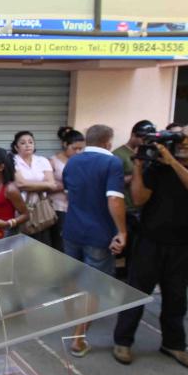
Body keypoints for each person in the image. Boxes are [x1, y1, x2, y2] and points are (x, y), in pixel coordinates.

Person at [112, 124, 188, 371]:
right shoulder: (158, 168)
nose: (183, 142)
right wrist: (139, 166)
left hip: (183, 245)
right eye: (181, 138)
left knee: (176, 298)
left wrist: (172, 162)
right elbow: (138, 199)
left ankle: (174, 345)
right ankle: (123, 341)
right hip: (149, 241)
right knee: (135, 294)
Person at [62, 125, 127, 358]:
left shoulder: (72, 162)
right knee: (93, 286)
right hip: (99, 234)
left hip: (72, 229)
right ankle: (78, 338)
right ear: (108, 142)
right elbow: (115, 200)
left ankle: (71, 318)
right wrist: (122, 231)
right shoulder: (112, 163)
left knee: (72, 278)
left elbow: (69, 193)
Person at [113, 120, 155, 279]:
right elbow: (114, 181)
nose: (145, 142)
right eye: (143, 138)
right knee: (123, 247)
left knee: (138, 249)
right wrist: (136, 174)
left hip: (143, 208)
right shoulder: (119, 154)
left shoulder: (149, 152)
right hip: (126, 208)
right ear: (133, 135)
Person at [11, 130, 58, 243]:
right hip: (21, 207)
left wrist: (28, 185)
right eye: (23, 143)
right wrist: (45, 185)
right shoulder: (13, 161)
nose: (27, 145)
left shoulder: (42, 160)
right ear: (16, 147)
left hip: (41, 205)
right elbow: (20, 184)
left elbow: (52, 184)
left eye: (30, 142)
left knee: (43, 240)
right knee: (23, 241)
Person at [49, 127, 85, 251]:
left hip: (77, 207)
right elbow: (47, 186)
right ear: (65, 144)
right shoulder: (53, 161)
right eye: (75, 148)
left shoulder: (82, 161)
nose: (78, 152)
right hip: (59, 207)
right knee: (60, 242)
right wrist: (67, 184)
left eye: (81, 148)